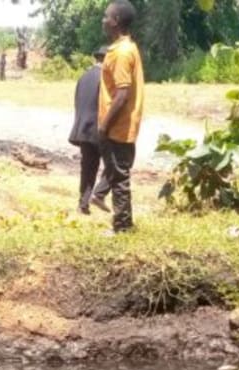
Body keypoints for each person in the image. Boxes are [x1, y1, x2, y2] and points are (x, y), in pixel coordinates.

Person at [97, 0, 144, 233]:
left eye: (106, 16)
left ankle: (123, 227)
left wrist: (104, 126)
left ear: (115, 21)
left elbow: (122, 94)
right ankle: (123, 223)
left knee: (120, 180)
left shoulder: (122, 53)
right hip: (123, 125)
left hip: (118, 126)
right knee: (118, 175)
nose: (103, 20)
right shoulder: (126, 47)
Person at [68, 46, 110, 216]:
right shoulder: (107, 78)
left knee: (88, 167)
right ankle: (100, 194)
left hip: (83, 128)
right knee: (116, 164)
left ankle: (82, 204)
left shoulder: (83, 77)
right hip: (99, 128)